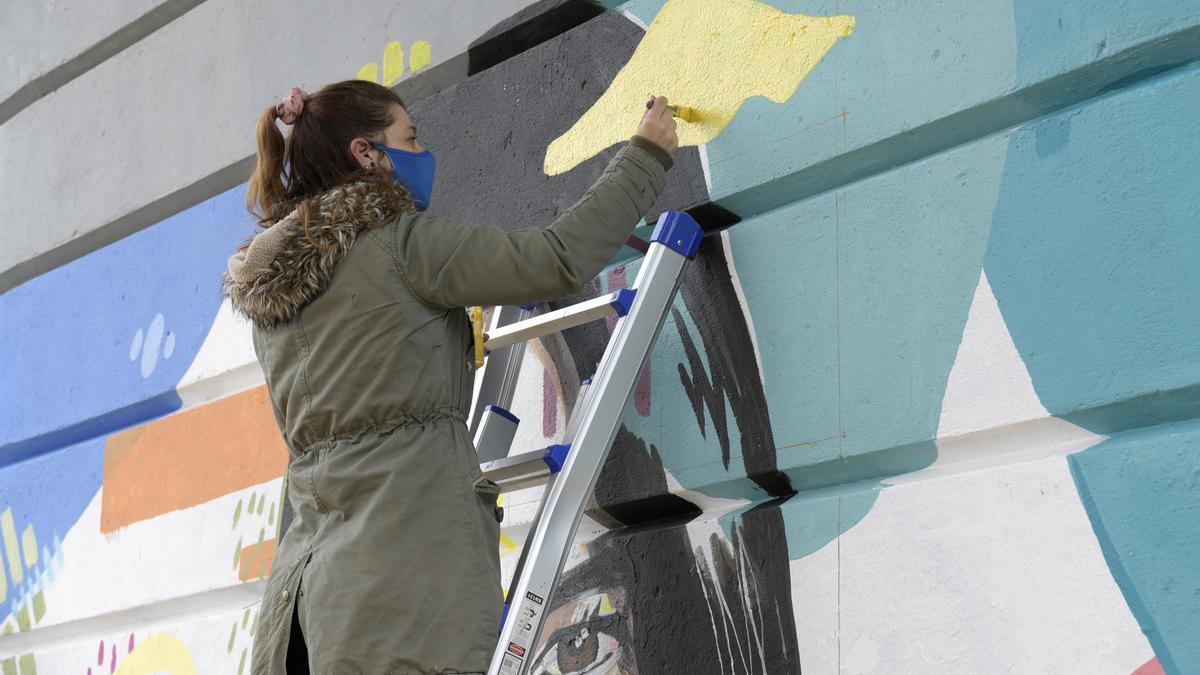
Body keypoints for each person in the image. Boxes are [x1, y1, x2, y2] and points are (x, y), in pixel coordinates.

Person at [221, 79, 678, 674]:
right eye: (409, 139)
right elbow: (554, 259)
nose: (423, 153)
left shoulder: (275, 294)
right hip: (405, 590)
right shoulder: (398, 244)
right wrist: (646, 157)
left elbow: (370, 366)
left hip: (310, 608)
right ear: (367, 154)